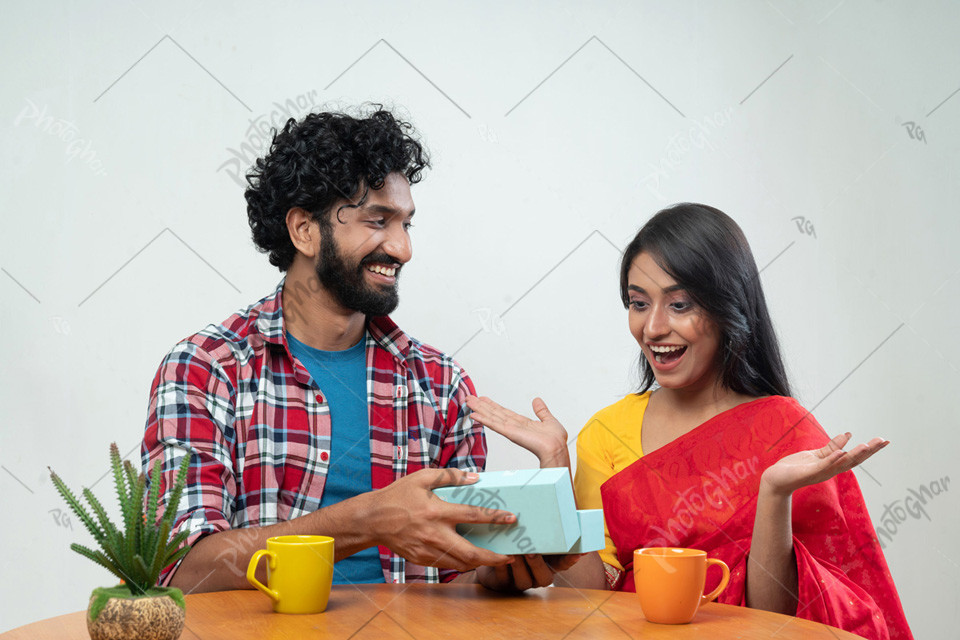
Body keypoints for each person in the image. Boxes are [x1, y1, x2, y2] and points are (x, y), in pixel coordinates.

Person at [141, 107, 572, 592]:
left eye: (406, 224)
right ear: (304, 230)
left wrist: (507, 567)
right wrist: (366, 521)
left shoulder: (440, 384)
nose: (403, 248)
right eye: (377, 220)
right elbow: (182, 571)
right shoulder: (205, 370)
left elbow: (457, 583)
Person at [466, 203, 913, 639]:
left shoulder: (784, 429)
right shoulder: (607, 430)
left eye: (679, 305)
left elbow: (782, 621)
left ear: (727, 307)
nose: (653, 327)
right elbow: (586, 597)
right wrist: (555, 464)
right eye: (639, 303)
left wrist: (773, 494)